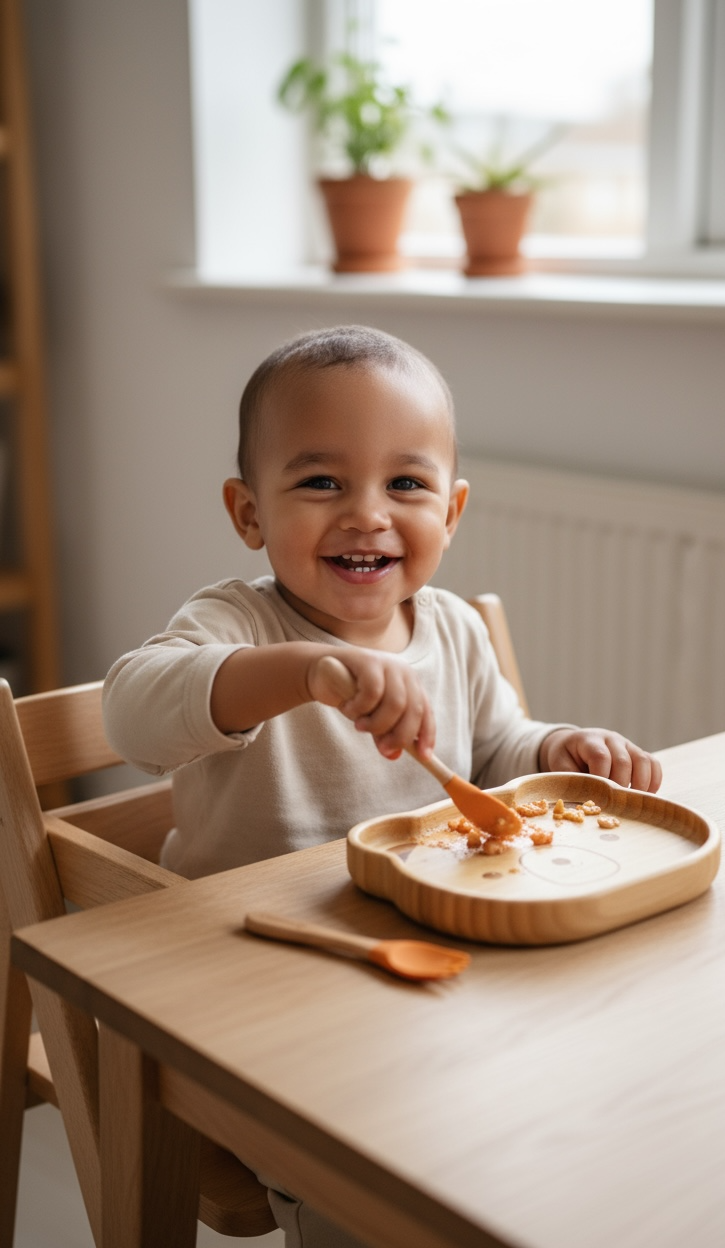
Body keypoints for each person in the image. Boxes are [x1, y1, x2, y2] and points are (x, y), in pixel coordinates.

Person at [103, 323, 662, 1246]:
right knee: (367, 1190)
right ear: (249, 513)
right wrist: (302, 671)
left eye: (405, 483)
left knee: (551, 1119)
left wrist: (559, 747)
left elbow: (495, 753)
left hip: (414, 962)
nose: (366, 513)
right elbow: (132, 713)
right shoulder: (237, 622)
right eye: (321, 481)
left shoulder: (450, 629)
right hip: (254, 979)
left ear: (452, 510)